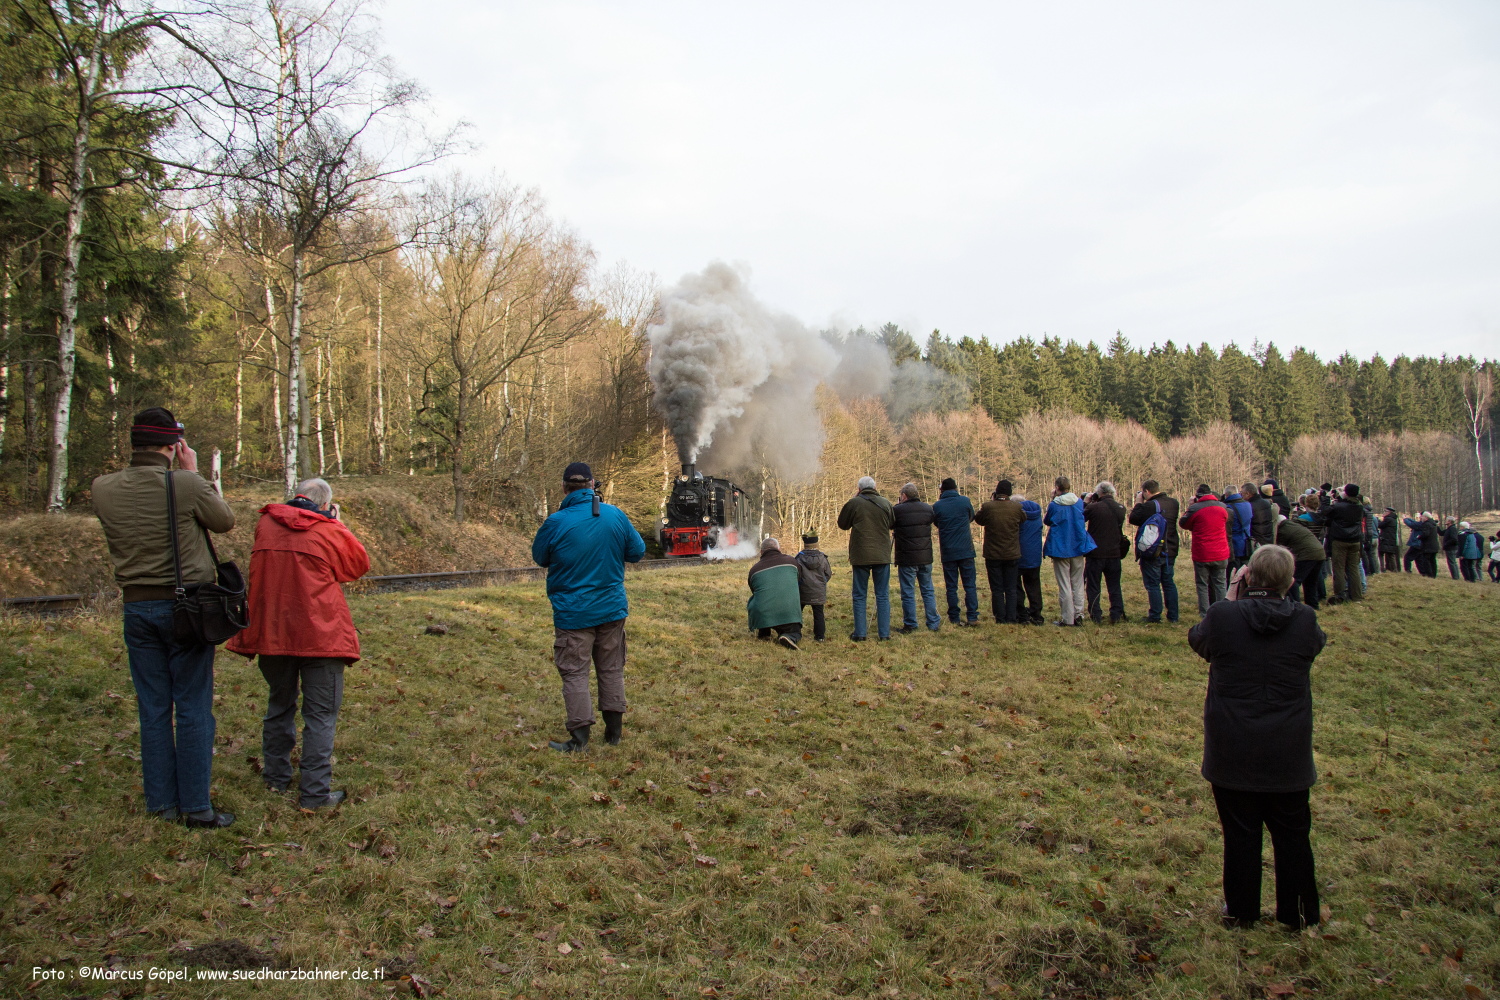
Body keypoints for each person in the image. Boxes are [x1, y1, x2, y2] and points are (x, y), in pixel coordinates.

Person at [92, 407, 237, 827]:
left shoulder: (102, 488)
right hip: (186, 608)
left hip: (136, 608)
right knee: (192, 707)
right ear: (174, 445)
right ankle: (196, 807)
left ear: (133, 443)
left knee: (152, 708)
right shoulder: (187, 485)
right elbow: (224, 522)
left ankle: (160, 805)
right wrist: (196, 473)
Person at [1189, 544, 1326, 931]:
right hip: (1288, 746)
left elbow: (1199, 641)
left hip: (1234, 743)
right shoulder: (1305, 620)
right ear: (1291, 582)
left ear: (1247, 578)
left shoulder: (1224, 616)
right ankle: (1298, 914)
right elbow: (1312, 646)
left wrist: (1230, 599)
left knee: (1240, 833)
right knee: (1293, 835)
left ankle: (1241, 910)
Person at [226, 478, 370, 810]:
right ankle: (315, 795)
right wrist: (336, 522)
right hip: (320, 635)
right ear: (325, 504)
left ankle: (276, 780)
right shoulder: (326, 528)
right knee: (320, 715)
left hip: (273, 631)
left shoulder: (265, 523)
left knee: (279, 705)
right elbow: (357, 565)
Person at [531, 462, 646, 752]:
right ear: (593, 484)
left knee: (574, 672)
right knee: (611, 669)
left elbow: (540, 557)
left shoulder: (555, 522)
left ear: (563, 488)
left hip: (574, 613)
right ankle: (614, 734)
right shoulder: (615, 515)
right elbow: (637, 552)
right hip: (611, 609)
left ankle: (580, 739)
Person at [837, 476, 896, 641]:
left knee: (859, 595)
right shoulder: (885, 503)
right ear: (875, 487)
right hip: (882, 555)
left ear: (859, 489)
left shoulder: (854, 503)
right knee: (883, 595)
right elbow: (892, 523)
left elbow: (842, 524)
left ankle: (860, 633)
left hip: (861, 555)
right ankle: (884, 634)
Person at [1043, 476, 1096, 626]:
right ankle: (1079, 615)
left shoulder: (1054, 505)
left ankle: (1067, 618)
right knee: (1078, 583)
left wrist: (1052, 499)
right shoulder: (1079, 502)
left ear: (1057, 488)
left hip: (1060, 548)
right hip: (1077, 546)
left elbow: (1047, 521)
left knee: (1065, 585)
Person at [1129, 480, 1181, 624]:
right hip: (1171, 548)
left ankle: (1155, 615)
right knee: (1169, 583)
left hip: (1154, 550)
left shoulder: (1150, 506)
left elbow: (1133, 518)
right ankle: (1173, 616)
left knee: (1153, 584)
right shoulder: (1174, 503)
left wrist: (1139, 503)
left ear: (1146, 491)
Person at [974, 479, 1025, 624]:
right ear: (1009, 493)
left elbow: (979, 520)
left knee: (996, 589)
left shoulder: (988, 507)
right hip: (1012, 553)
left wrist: (991, 502)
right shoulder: (1016, 507)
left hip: (993, 554)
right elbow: (1023, 519)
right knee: (1011, 588)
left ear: (996, 492)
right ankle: (1011, 617)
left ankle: (1000, 617)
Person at [892, 483, 941, 633]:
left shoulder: (897, 510)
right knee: (927, 590)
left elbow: (890, 524)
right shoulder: (928, 508)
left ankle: (911, 623)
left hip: (907, 557)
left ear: (904, 496)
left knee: (908, 592)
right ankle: (933, 623)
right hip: (925, 556)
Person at [932, 477, 979, 626]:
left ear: (942, 491)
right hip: (966, 549)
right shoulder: (965, 501)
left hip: (948, 550)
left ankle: (954, 617)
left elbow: (936, 522)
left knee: (951, 586)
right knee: (970, 585)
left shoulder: (937, 506)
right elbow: (971, 516)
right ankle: (972, 616)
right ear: (956, 488)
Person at [1180, 485, 1233, 616]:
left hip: (1202, 553)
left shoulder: (1195, 508)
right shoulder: (1222, 507)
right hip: (1221, 552)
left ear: (1198, 496)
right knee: (1220, 584)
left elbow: (1183, 524)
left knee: (1202, 585)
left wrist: (1190, 506)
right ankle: (1223, 613)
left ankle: (1205, 614)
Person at [1083, 482, 1128, 624]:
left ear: (1099, 493)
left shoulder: (1093, 508)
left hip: (1096, 553)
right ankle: (1116, 613)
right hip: (1114, 553)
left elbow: (1080, 518)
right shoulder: (1121, 508)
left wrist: (1086, 503)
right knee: (1114, 585)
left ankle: (1096, 614)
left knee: (1093, 586)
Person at [747, 537, 803, 649]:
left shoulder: (754, 569)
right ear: (779, 548)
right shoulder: (791, 561)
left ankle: (764, 632)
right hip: (787, 612)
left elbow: (754, 590)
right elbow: (798, 579)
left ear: (761, 552)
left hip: (763, 615)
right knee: (795, 632)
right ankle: (789, 636)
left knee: (760, 598)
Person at [1273, 512, 1327, 608]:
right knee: (1311, 582)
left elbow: (1278, 548)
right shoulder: (1294, 525)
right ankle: (1313, 605)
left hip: (1306, 555)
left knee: (1293, 580)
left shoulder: (1283, 530)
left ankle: (1295, 605)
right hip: (1319, 553)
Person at [1324, 483, 1365, 603]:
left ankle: (1340, 595)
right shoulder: (1359, 507)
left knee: (1339, 569)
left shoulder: (1339, 507)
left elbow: (1326, 512)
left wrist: (1328, 499)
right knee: (1354, 569)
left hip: (1340, 540)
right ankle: (1357, 596)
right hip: (1355, 540)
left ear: (1345, 493)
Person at [794, 533, 833, 641]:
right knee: (818, 614)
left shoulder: (798, 558)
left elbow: (795, 573)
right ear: (817, 544)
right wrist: (822, 583)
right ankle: (820, 637)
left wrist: (800, 583)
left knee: (798, 612)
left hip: (802, 590)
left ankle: (795, 633)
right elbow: (828, 573)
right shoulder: (822, 558)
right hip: (818, 591)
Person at [1016, 491, 1046, 625]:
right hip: (1034, 555)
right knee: (1034, 585)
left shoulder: (1018, 517)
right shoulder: (1037, 515)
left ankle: (1021, 613)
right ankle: (1036, 614)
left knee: (1016, 586)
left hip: (1018, 555)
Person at [1223, 486, 1253, 573]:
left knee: (1234, 573)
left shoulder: (1228, 508)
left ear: (1226, 495)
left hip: (1234, 544)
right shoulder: (1248, 504)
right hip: (1247, 543)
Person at [1404, 512, 1440, 578]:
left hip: (1421, 544)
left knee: (1409, 557)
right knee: (1422, 559)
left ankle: (1427, 574)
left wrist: (1419, 537)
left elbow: (1412, 525)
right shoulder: (1433, 524)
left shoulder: (1424, 524)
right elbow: (1414, 523)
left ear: (1426, 517)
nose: (1421, 518)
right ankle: (1427, 573)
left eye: (1422, 516)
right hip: (1433, 545)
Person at [1244, 482, 1275, 551]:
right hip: (1268, 537)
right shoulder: (1266, 503)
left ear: (1248, 494)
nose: (1241, 496)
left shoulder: (1250, 506)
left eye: (1242, 493)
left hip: (1257, 539)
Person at [1377, 507, 1401, 573]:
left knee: (1380, 553)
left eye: (1385, 511)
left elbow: (1380, 525)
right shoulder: (1393, 519)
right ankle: (1394, 570)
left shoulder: (1388, 519)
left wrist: (1378, 520)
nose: (1384, 512)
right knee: (1391, 555)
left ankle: (1382, 568)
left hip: (1385, 539)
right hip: (1391, 539)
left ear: (1389, 512)